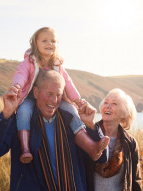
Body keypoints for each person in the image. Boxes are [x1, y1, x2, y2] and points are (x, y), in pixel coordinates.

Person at [0, 69, 108, 191]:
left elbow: (101, 158)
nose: (54, 101)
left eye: (58, 95)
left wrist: (92, 126)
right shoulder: (21, 124)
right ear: (35, 92)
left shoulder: (72, 122)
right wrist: (6, 114)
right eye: (49, 94)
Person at [12, 26, 109, 163]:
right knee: (23, 111)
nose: (49, 44)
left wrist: (76, 100)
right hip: (31, 96)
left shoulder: (57, 64)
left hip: (55, 97)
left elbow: (67, 83)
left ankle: (91, 147)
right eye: (44, 41)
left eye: (53, 41)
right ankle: (25, 149)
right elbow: (21, 75)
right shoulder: (30, 61)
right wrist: (17, 86)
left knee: (72, 111)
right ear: (35, 43)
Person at [81, 88, 143, 191]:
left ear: (124, 113)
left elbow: (136, 184)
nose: (108, 106)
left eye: (114, 104)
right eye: (106, 102)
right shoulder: (87, 135)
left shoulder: (130, 143)